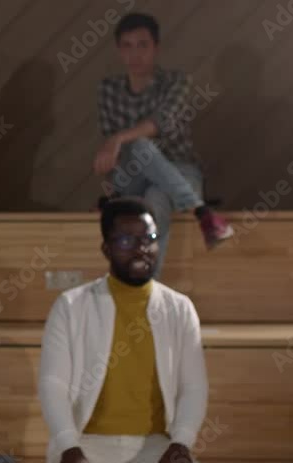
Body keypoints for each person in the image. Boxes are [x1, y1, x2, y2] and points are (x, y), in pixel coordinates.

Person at [39, 197, 223, 463]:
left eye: (149, 239)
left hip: (153, 448)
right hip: (86, 446)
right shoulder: (71, 306)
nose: (141, 249)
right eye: (126, 240)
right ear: (106, 248)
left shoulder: (179, 309)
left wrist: (181, 443)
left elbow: (194, 386)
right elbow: (52, 385)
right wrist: (68, 446)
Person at [95, 12, 232, 277]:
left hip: (180, 170)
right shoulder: (108, 89)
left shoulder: (177, 82)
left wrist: (119, 138)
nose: (135, 54)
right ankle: (203, 212)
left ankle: (146, 287)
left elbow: (161, 123)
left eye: (143, 45)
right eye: (128, 46)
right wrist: (118, 145)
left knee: (155, 199)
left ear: (156, 48)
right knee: (139, 149)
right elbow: (118, 154)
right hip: (131, 175)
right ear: (119, 50)